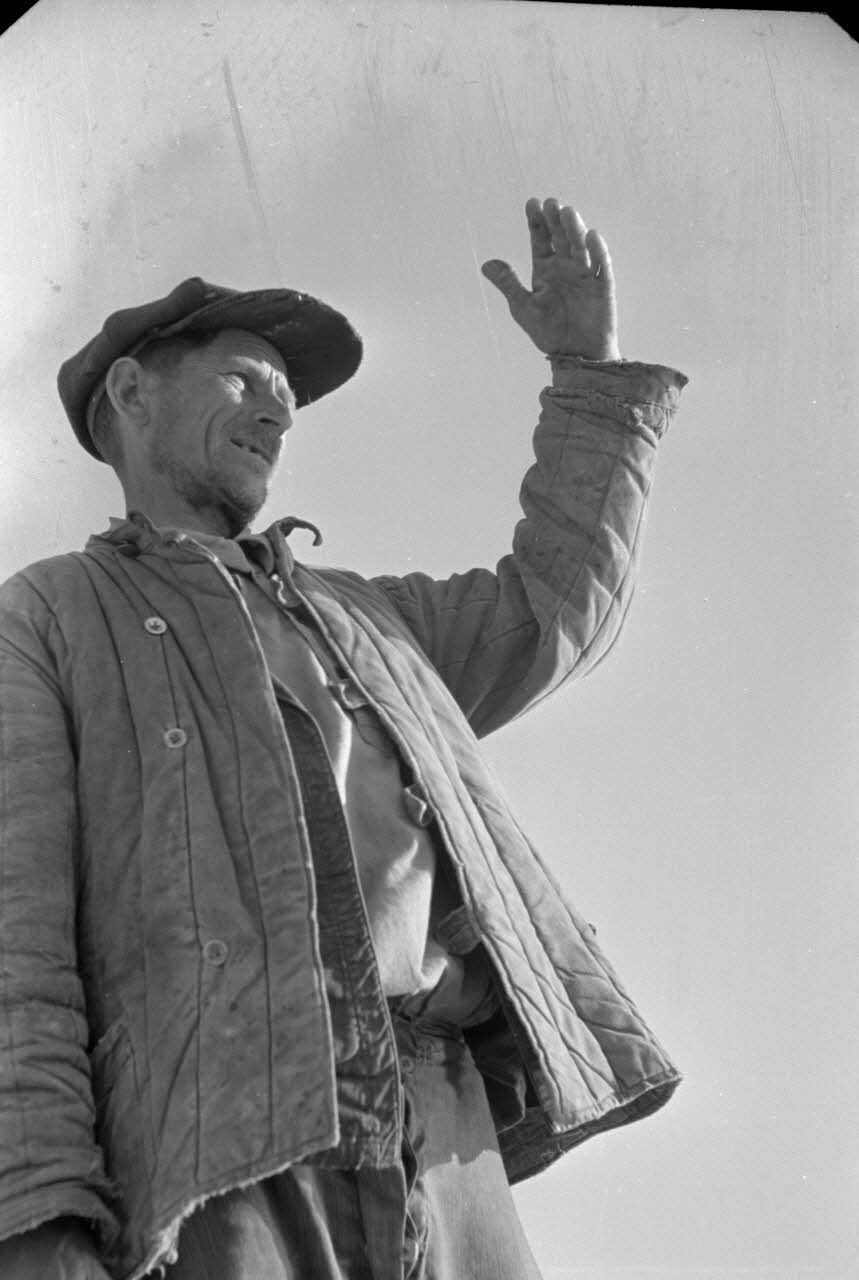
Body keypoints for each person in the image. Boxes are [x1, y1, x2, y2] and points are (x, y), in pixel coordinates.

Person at [0, 197, 687, 1280]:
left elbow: (553, 605)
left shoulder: (370, 617)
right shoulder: (49, 616)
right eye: (245, 378)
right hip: (218, 1138)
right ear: (130, 393)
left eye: (287, 399)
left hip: (441, 1112)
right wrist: (38, 1221)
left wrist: (587, 376)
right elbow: (17, 940)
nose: (276, 412)